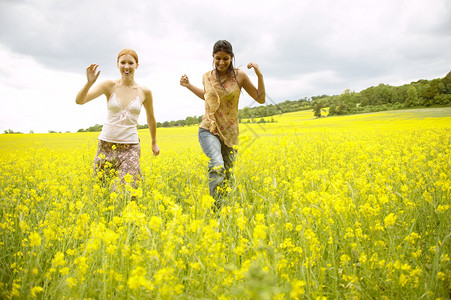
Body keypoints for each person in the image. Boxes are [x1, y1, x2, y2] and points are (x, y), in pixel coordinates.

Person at [180, 40, 265, 208]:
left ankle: (224, 211)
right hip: (208, 129)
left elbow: (260, 99)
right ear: (213, 57)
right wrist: (188, 85)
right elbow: (207, 96)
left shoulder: (239, 75)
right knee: (217, 166)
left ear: (232, 58)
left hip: (231, 133)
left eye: (226, 58)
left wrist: (259, 75)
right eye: (218, 58)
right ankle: (215, 210)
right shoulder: (207, 76)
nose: (221, 62)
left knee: (227, 176)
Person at [76, 49, 160, 187]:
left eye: (130, 63)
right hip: (106, 145)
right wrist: (89, 83)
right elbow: (80, 100)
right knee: (100, 190)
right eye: (123, 63)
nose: (126, 67)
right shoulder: (109, 85)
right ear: (117, 65)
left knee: (125, 190)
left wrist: (154, 142)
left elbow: (151, 118)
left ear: (137, 65)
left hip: (130, 147)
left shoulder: (145, 92)